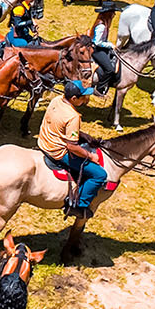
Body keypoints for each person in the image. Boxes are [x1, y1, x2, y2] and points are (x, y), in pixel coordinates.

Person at [39, 81, 108, 219]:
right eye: (83, 97)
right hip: (57, 152)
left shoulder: (56, 100)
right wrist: (91, 156)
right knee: (99, 175)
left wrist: (84, 136)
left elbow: (61, 126)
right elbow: (72, 147)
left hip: (44, 141)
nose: (86, 99)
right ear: (74, 98)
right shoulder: (73, 116)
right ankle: (78, 205)